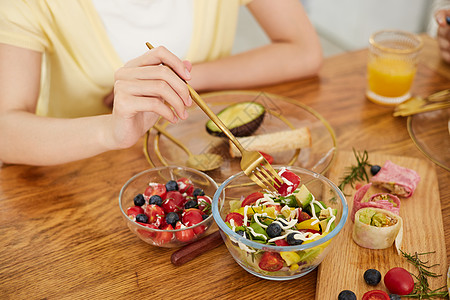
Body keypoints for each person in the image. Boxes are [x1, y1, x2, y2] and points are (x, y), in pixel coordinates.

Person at [0, 0, 323, 166]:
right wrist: (109, 131)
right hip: (82, 168)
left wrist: (186, 76)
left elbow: (304, 51)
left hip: (202, 155)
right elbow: (6, 131)